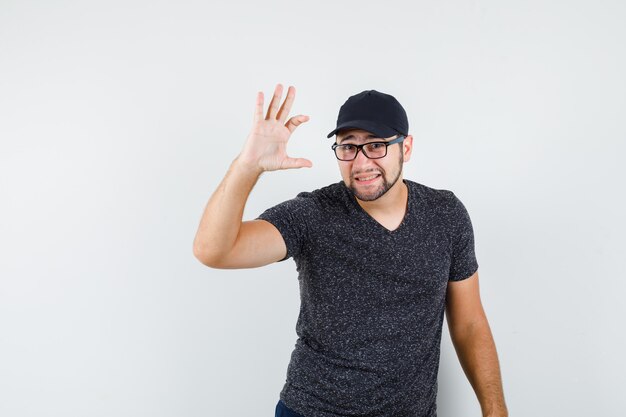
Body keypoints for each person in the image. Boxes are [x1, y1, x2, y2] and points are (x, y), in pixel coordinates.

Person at [193, 84, 508, 417]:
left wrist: (495, 410)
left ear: (407, 147)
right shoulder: (312, 214)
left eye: (375, 145)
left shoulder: (445, 214)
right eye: (348, 147)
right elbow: (213, 251)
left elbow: (470, 322)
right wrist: (247, 166)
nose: (361, 162)